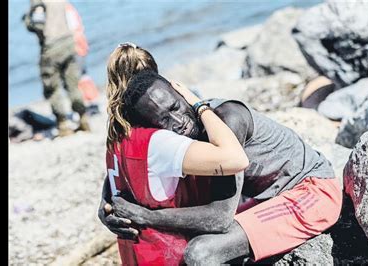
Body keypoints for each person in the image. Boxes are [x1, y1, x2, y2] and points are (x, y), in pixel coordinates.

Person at [99, 43, 343, 264]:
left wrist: (146, 217)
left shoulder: (228, 119)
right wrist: (108, 205)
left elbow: (219, 218)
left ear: (183, 93)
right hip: (268, 199)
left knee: (201, 252)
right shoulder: (173, 136)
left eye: (176, 107)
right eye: (164, 121)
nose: (178, 122)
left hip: (310, 192)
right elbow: (128, 165)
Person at [102, 44, 248, 265]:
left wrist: (103, 208)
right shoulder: (158, 142)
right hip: (169, 254)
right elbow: (235, 160)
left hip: (136, 257)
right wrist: (199, 106)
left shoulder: (117, 139)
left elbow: (115, 185)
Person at [23, 0, 90, 136]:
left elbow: (38, 24)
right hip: (68, 42)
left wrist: (27, 21)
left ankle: (63, 124)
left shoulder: (38, 1)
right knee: (73, 84)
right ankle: (83, 117)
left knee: (52, 87)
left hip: (51, 46)